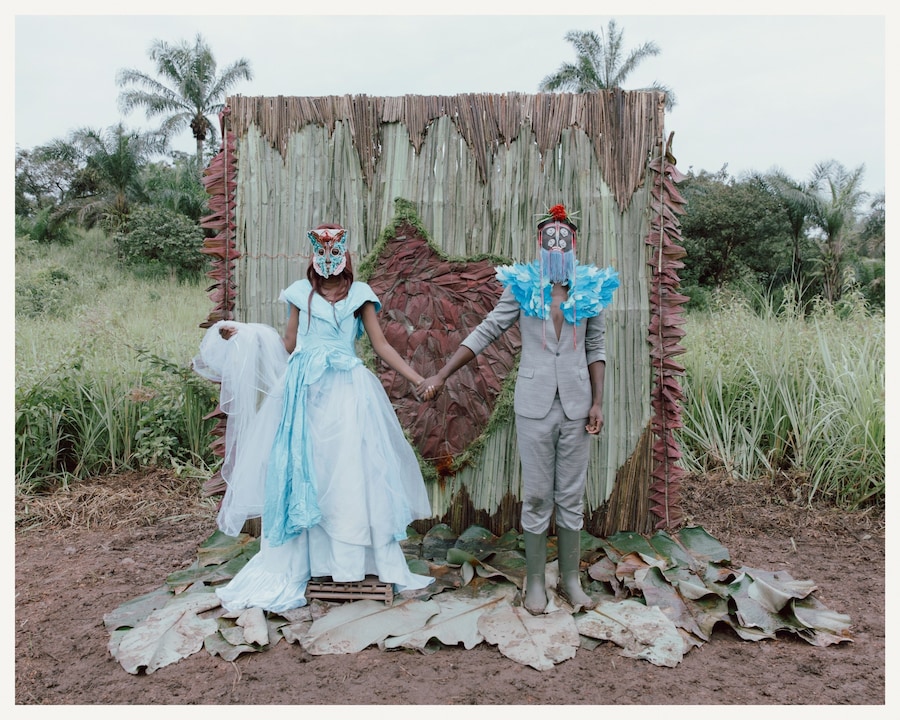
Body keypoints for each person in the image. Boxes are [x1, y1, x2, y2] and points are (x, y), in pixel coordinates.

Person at [193, 222, 434, 614]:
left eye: (334, 252)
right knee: (308, 469)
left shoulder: (360, 295)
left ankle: (354, 561)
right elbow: (287, 344)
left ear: (345, 255)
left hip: (347, 390)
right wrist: (245, 334)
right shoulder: (299, 295)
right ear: (312, 255)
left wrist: (417, 378)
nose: (328, 260)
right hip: (304, 390)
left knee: (349, 470)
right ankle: (308, 562)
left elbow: (381, 345)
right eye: (321, 252)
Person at [417, 204, 618, 615]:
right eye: (549, 235)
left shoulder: (590, 289)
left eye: (564, 235)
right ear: (539, 241)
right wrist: (442, 373)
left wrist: (597, 401)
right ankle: (535, 583)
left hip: (578, 406)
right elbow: (489, 328)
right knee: (540, 494)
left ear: (574, 242)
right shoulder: (524, 287)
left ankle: (571, 580)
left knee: (571, 495)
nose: (557, 241)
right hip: (535, 405)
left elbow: (595, 348)